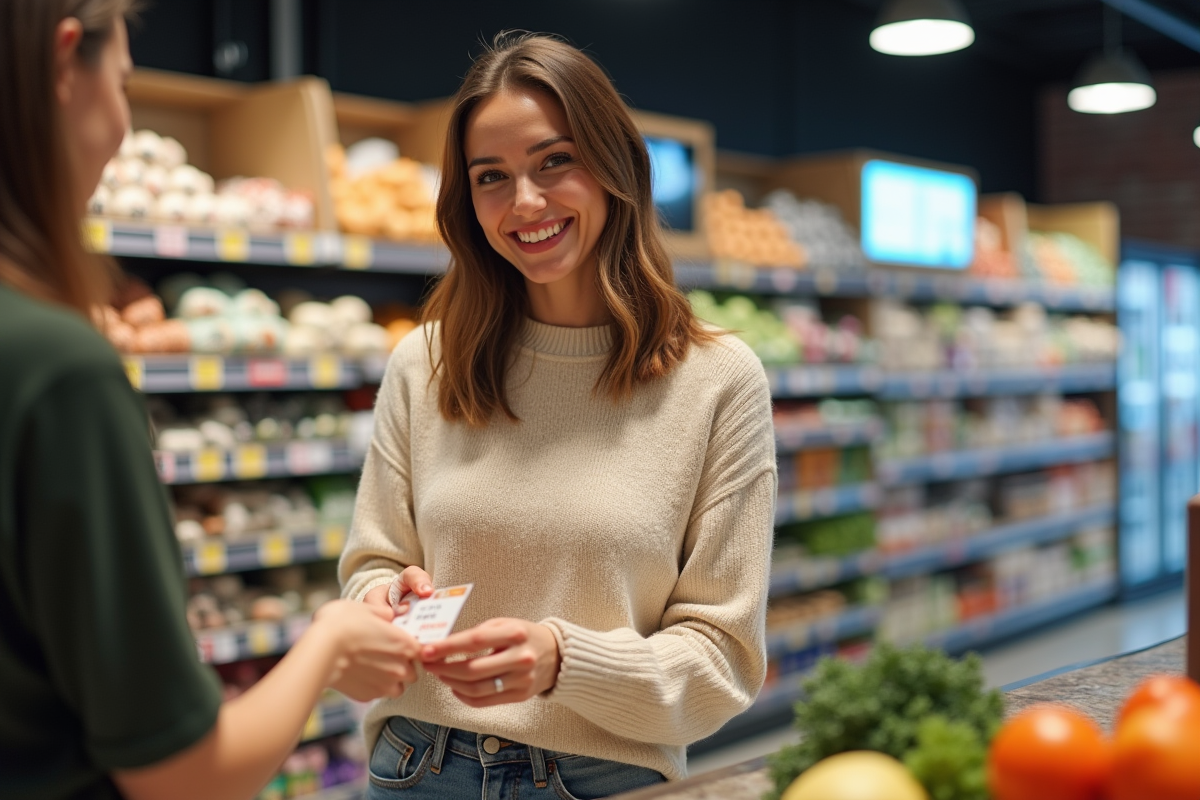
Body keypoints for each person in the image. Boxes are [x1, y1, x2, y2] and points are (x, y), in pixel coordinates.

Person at [0, 3, 422, 799]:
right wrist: (327, 642)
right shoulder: (59, 372)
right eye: (122, 83)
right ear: (66, 62)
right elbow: (184, 777)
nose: (121, 123)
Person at [340, 31, 777, 798]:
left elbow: (723, 660)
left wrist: (563, 662)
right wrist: (378, 600)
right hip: (414, 767)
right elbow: (370, 565)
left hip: (604, 777)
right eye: (491, 177)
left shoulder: (717, 382)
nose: (526, 203)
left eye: (555, 162)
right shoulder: (427, 362)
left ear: (615, 168)